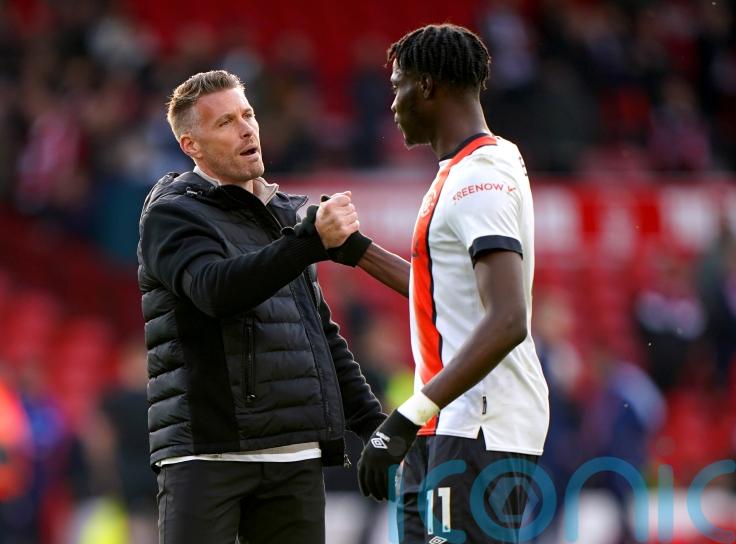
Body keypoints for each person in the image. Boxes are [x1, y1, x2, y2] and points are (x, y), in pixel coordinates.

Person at [136, 69, 385, 544]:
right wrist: (307, 242)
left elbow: (320, 335)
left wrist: (373, 424)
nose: (246, 129)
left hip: (294, 455)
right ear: (191, 145)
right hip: (209, 454)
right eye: (225, 122)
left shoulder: (283, 216)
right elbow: (216, 291)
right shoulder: (172, 213)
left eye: (247, 115)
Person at [347, 24, 550, 543]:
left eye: (398, 86)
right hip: (446, 423)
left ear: (427, 86)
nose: (393, 103)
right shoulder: (466, 171)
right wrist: (355, 251)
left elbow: (509, 319)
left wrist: (405, 417)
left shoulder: (479, 178)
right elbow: (439, 292)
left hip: (476, 425)